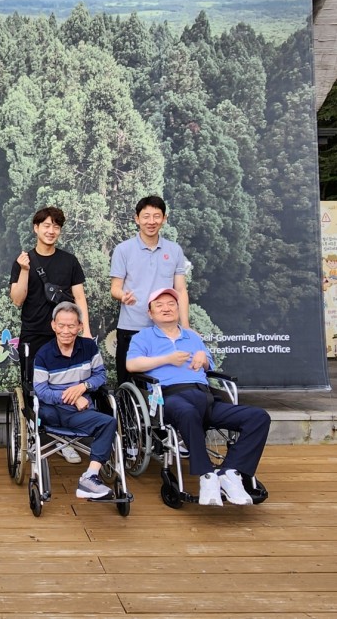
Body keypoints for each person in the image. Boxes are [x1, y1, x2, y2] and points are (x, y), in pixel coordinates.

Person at [126, 288, 271, 507]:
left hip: (205, 396)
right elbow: (131, 365)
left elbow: (208, 365)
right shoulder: (143, 337)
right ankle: (206, 475)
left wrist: (203, 357)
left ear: (178, 309)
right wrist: (167, 359)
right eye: (159, 305)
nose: (166, 308)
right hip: (169, 396)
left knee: (258, 417)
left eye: (171, 304)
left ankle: (230, 472)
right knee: (187, 412)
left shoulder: (192, 336)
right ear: (150, 313)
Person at [10, 206, 91, 464]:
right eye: (46, 225)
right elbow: (17, 300)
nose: (51, 230)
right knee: (36, 388)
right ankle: (34, 439)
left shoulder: (69, 261)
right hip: (33, 335)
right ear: (36, 228)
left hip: (66, 336)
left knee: (66, 385)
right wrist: (24, 270)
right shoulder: (23, 261)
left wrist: (86, 332)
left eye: (56, 226)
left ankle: (64, 440)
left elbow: (79, 298)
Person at [32, 302, 116, 500]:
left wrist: (83, 387)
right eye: (61, 325)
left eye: (71, 326)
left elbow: (100, 375)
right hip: (53, 411)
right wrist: (71, 397)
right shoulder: (44, 354)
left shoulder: (89, 347)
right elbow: (41, 390)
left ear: (80, 326)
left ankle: (90, 477)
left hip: (80, 413)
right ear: (53, 325)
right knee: (46, 411)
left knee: (109, 422)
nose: (66, 331)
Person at [110, 195, 190, 384]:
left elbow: (181, 290)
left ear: (164, 218)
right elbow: (115, 288)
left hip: (166, 329)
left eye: (156, 216)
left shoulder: (174, 250)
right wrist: (123, 296)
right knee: (128, 383)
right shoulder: (123, 250)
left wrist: (185, 327)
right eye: (146, 216)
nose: (151, 221)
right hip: (132, 327)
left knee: (165, 382)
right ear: (137, 219)